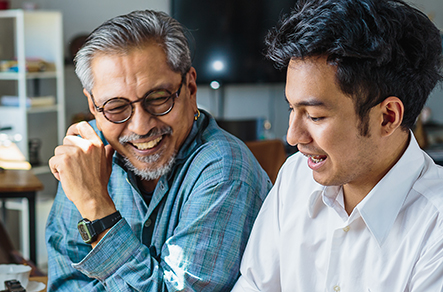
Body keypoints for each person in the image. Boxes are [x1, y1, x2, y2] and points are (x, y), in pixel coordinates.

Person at [46, 10, 272, 291]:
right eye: (116, 107)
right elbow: (65, 283)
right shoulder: (84, 154)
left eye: (158, 98)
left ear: (190, 87)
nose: (140, 127)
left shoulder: (226, 167)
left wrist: (96, 207)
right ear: (93, 106)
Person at [233, 0, 443, 291]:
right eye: (292, 109)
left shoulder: (436, 226)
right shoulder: (295, 177)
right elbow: (254, 285)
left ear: (387, 117)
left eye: (316, 116)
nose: (293, 137)